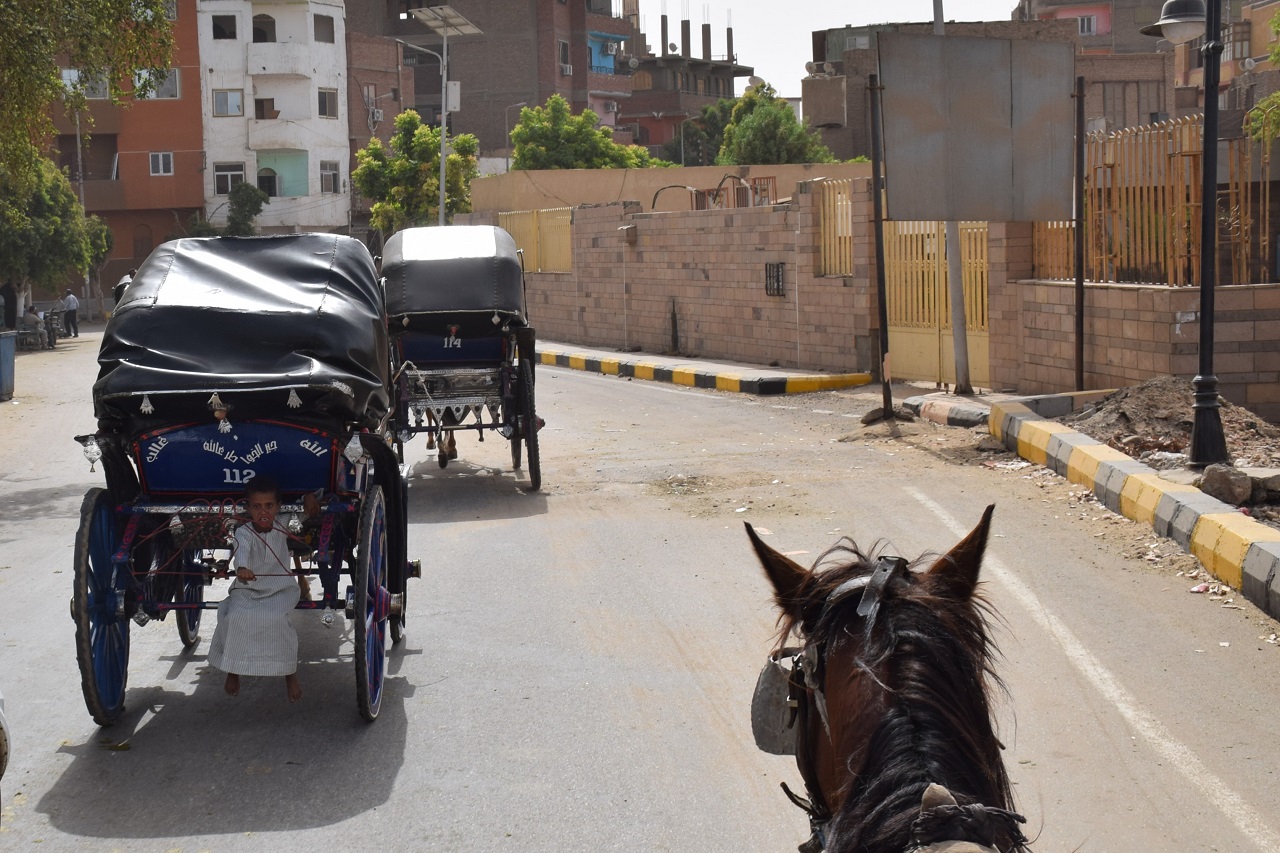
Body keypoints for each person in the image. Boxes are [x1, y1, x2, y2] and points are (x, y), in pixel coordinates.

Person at [208, 477, 303, 702]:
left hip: (280, 589)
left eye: (269, 506)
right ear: (248, 508)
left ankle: (289, 673)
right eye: (257, 506)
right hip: (248, 589)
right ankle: (233, 670)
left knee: (276, 619)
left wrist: (310, 500)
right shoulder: (244, 532)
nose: (263, 511)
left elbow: (306, 512)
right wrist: (242, 568)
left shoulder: (282, 524)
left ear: (278, 506)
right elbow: (241, 552)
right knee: (235, 616)